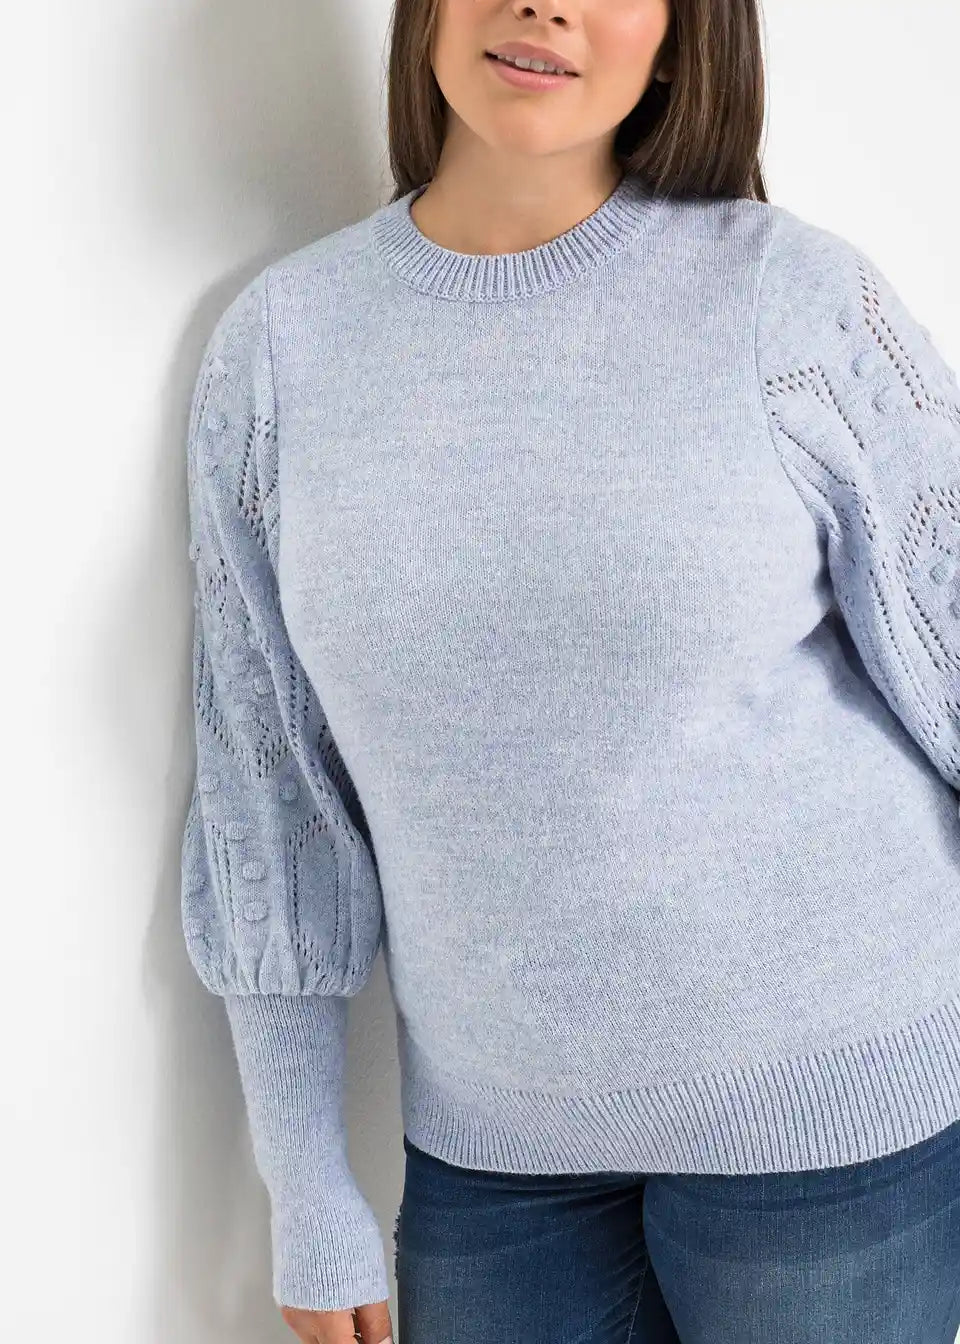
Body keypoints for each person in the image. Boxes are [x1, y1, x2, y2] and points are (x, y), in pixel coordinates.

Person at [179, 0, 960, 1340]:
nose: (546, 6)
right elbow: (267, 784)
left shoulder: (792, 298)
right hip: (493, 1154)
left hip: (835, 1117)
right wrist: (304, 1183)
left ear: (680, 36)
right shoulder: (282, 346)